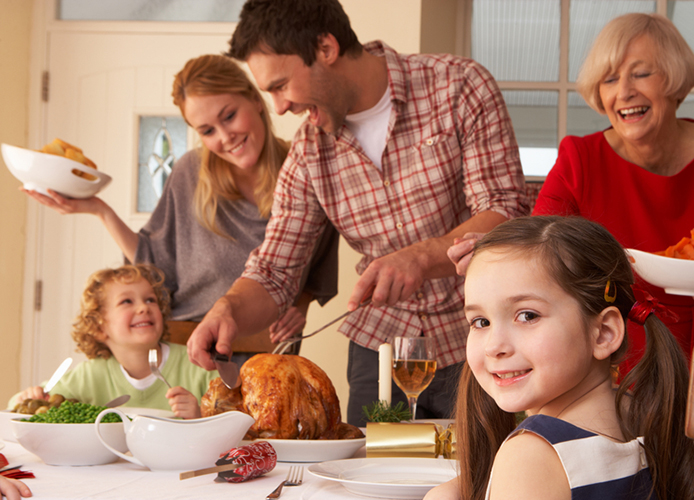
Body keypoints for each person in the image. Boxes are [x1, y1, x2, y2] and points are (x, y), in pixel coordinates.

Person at [187, 0, 530, 426]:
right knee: (371, 487)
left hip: (477, 337)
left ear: (326, 47)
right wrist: (228, 311)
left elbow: (504, 212)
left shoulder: (458, 86)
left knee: (483, 482)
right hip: (378, 351)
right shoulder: (309, 151)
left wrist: (420, 258)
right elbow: (275, 271)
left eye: (280, 86)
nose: (277, 108)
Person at [453, 13, 694, 373]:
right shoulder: (579, 159)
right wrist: (491, 250)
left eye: (641, 74)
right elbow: (539, 250)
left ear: (675, 81)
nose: (624, 92)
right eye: (609, 79)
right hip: (617, 353)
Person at [21, 54, 339, 364]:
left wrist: (302, 302)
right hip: (187, 353)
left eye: (229, 116)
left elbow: (318, 257)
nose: (226, 137)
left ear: (255, 99)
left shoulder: (303, 168)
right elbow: (155, 267)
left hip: (269, 354)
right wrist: (99, 209)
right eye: (207, 130)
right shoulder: (191, 173)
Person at [427, 216, 694, 500]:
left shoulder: (532, 454)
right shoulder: (645, 416)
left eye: (527, 316)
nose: (494, 346)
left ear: (603, 333)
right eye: (481, 322)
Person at [12, 264, 216, 419]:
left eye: (150, 300)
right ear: (99, 328)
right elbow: (22, 407)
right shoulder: (90, 375)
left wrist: (199, 416)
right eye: (127, 301)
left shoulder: (197, 365)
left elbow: (237, 421)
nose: (144, 308)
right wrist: (26, 397)